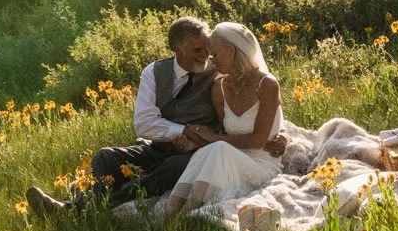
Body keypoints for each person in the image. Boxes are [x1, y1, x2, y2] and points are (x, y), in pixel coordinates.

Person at [28, 15, 258, 213]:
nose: (205, 57)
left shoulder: (218, 71)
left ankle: (87, 210)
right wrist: (184, 131)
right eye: (197, 50)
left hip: (197, 153)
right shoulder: (154, 73)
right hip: (157, 147)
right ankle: (83, 205)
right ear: (176, 49)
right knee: (105, 156)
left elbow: (251, 95)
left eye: (207, 50)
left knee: (174, 167)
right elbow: (144, 124)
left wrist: (197, 140)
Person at [152, 21, 284, 219]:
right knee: (213, 150)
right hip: (230, 157)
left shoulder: (267, 84)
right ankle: (170, 213)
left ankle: (184, 217)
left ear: (230, 50)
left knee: (218, 148)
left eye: (215, 54)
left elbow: (257, 140)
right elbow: (225, 133)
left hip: (261, 163)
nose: (211, 61)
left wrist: (212, 138)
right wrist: (196, 142)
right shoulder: (220, 86)